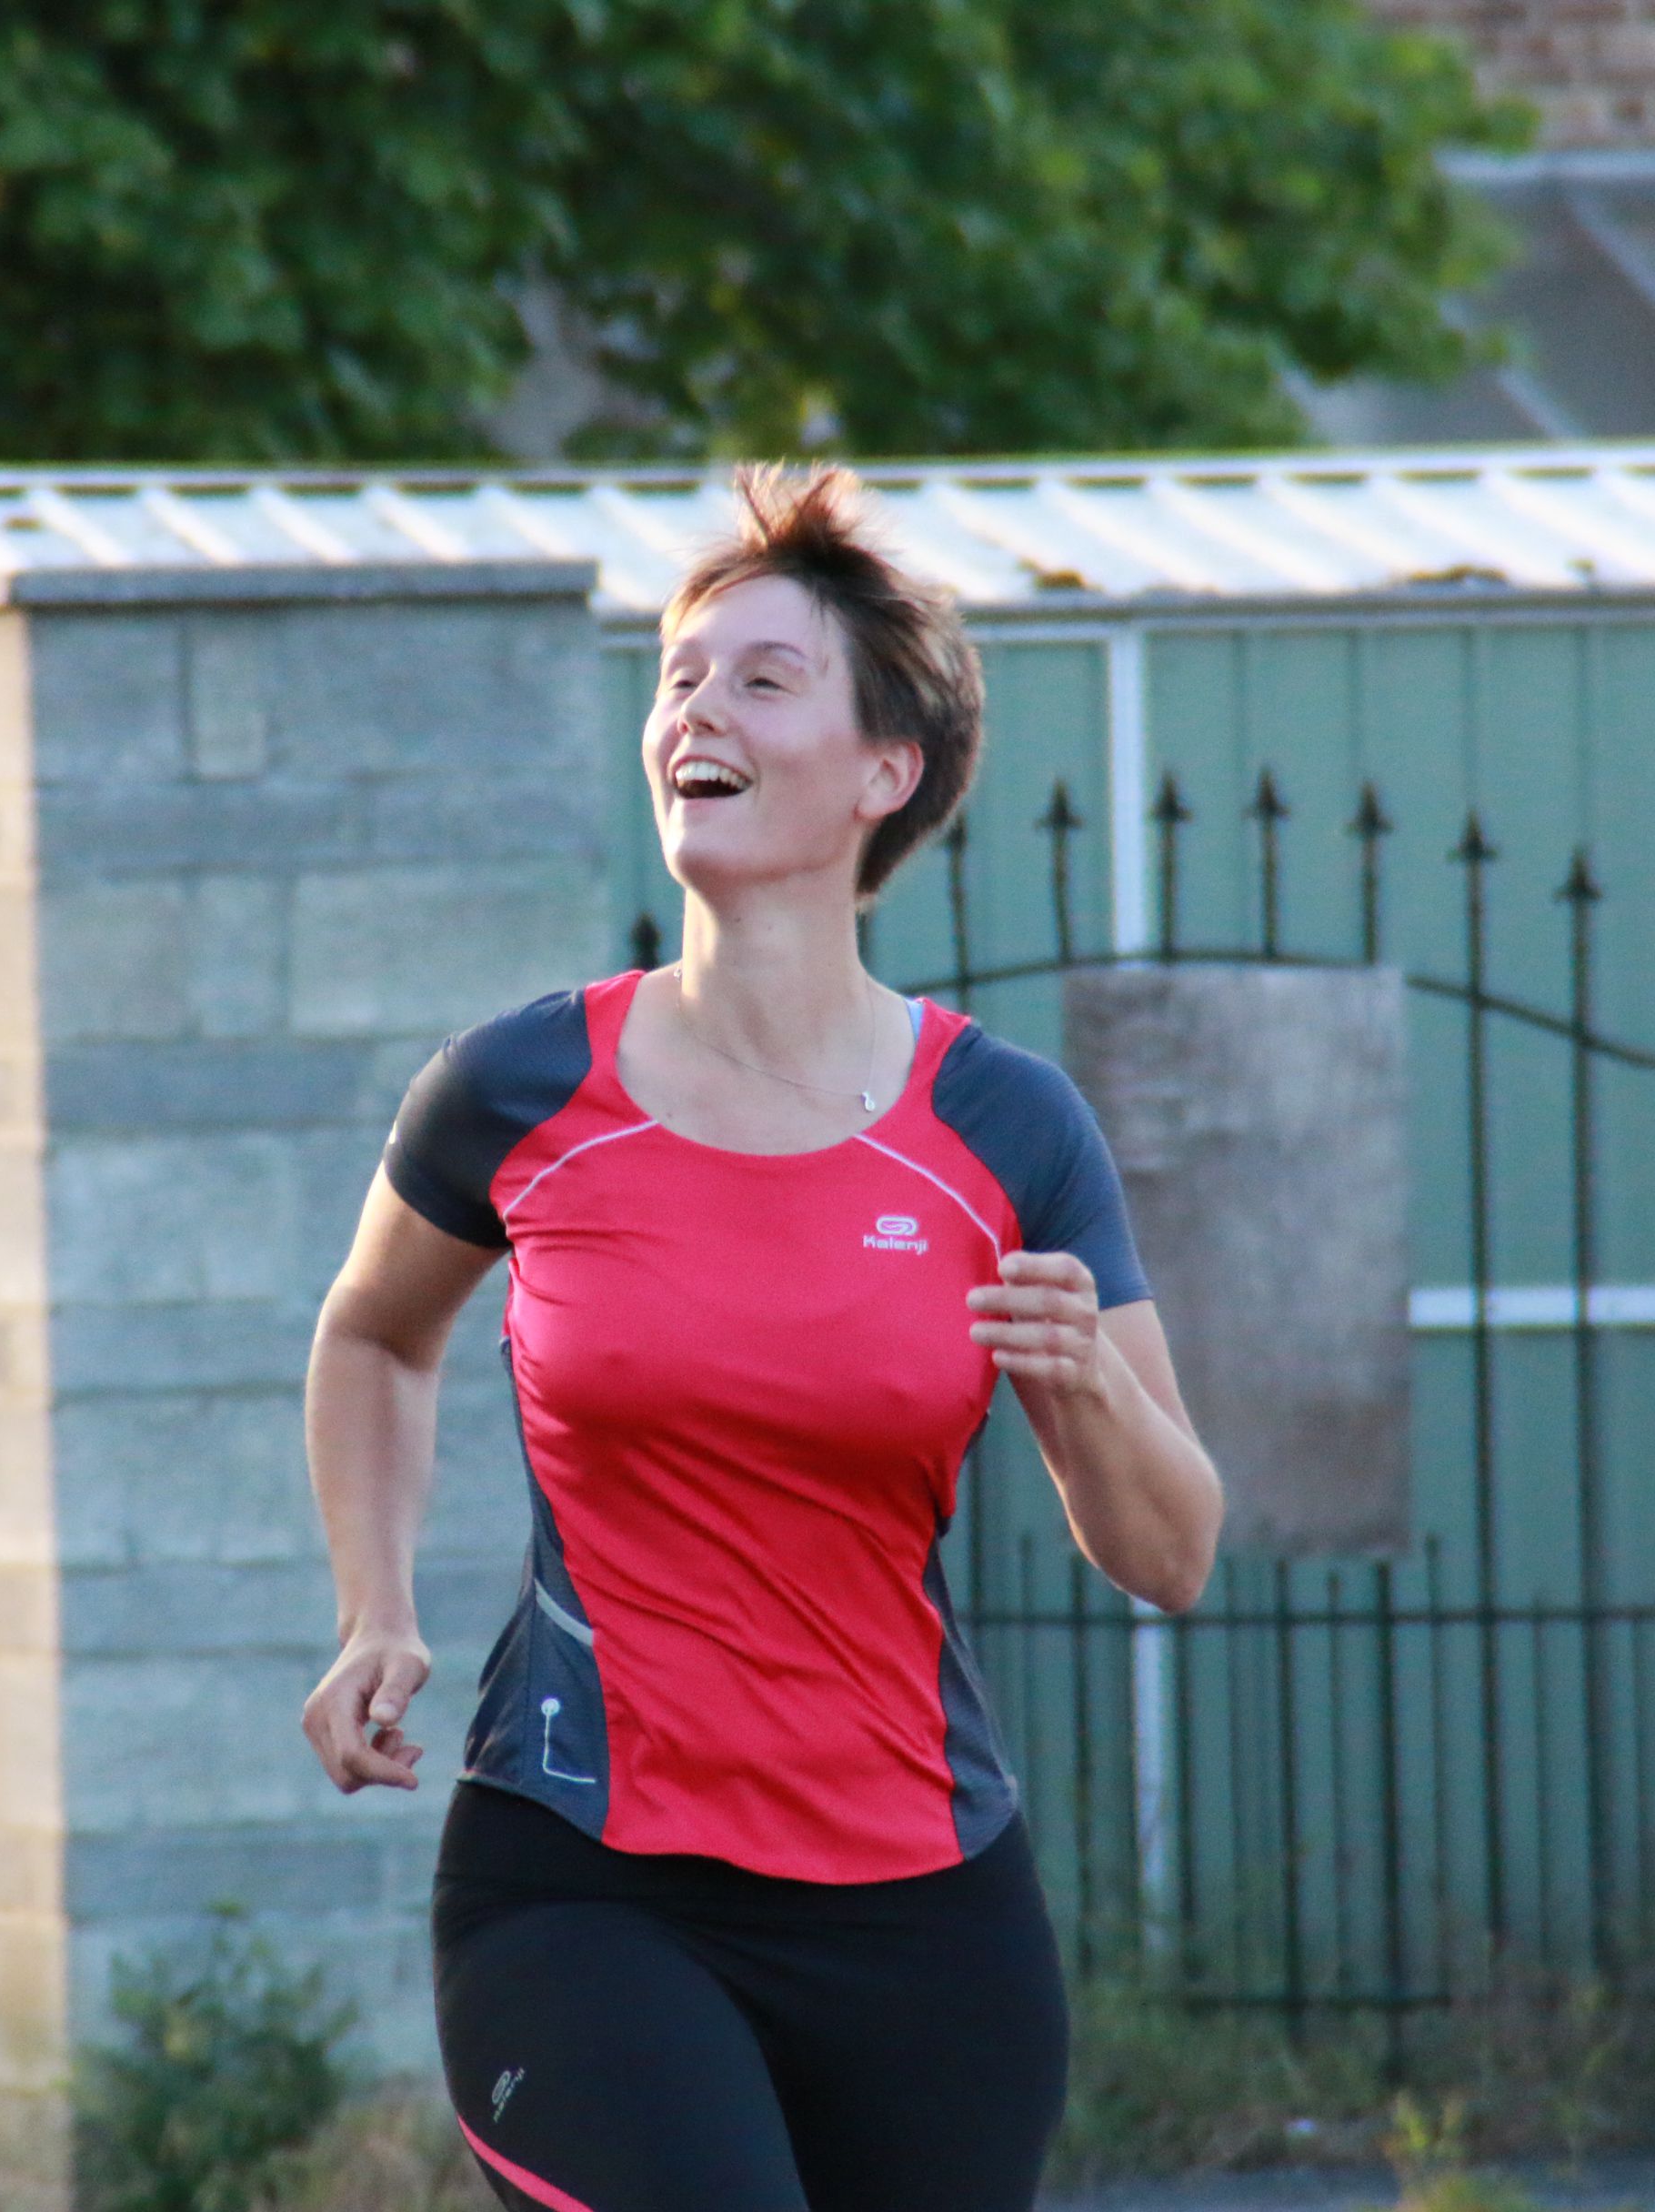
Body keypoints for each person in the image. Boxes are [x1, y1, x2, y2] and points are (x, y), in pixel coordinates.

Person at [299, 467, 1224, 2211]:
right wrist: (375, 1608)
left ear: (887, 772)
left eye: (762, 680)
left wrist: (1085, 1378)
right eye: (678, 679)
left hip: (923, 1906)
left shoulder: (1005, 1128)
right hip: (582, 1881)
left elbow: (1171, 1554)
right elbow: (375, 1337)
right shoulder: (520, 1085)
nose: (696, 713)